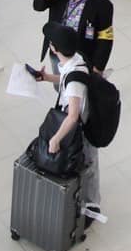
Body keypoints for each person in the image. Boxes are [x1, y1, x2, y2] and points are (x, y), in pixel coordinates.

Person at [36, 23, 99, 220]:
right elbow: (65, 77)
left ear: (54, 48)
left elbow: (72, 115)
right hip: (76, 122)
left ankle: (91, 207)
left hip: (81, 127)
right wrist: (47, 77)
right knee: (82, 163)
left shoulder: (74, 82)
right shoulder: (75, 60)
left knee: (87, 164)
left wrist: (55, 139)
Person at [34, 0, 114, 70]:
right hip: (57, 50)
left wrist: (98, 67)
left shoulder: (102, 5)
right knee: (59, 84)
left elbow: (105, 38)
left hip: (81, 56)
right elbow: (37, 6)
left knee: (77, 85)